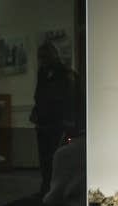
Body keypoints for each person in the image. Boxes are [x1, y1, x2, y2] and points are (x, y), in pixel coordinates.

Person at [30, 40, 77, 196]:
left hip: (58, 125)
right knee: (44, 159)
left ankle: (55, 190)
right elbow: (39, 96)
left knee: (56, 159)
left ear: (53, 56)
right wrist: (36, 114)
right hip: (44, 124)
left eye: (44, 57)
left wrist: (67, 123)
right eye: (40, 57)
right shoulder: (42, 74)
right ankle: (46, 186)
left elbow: (69, 100)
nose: (42, 60)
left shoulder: (66, 75)